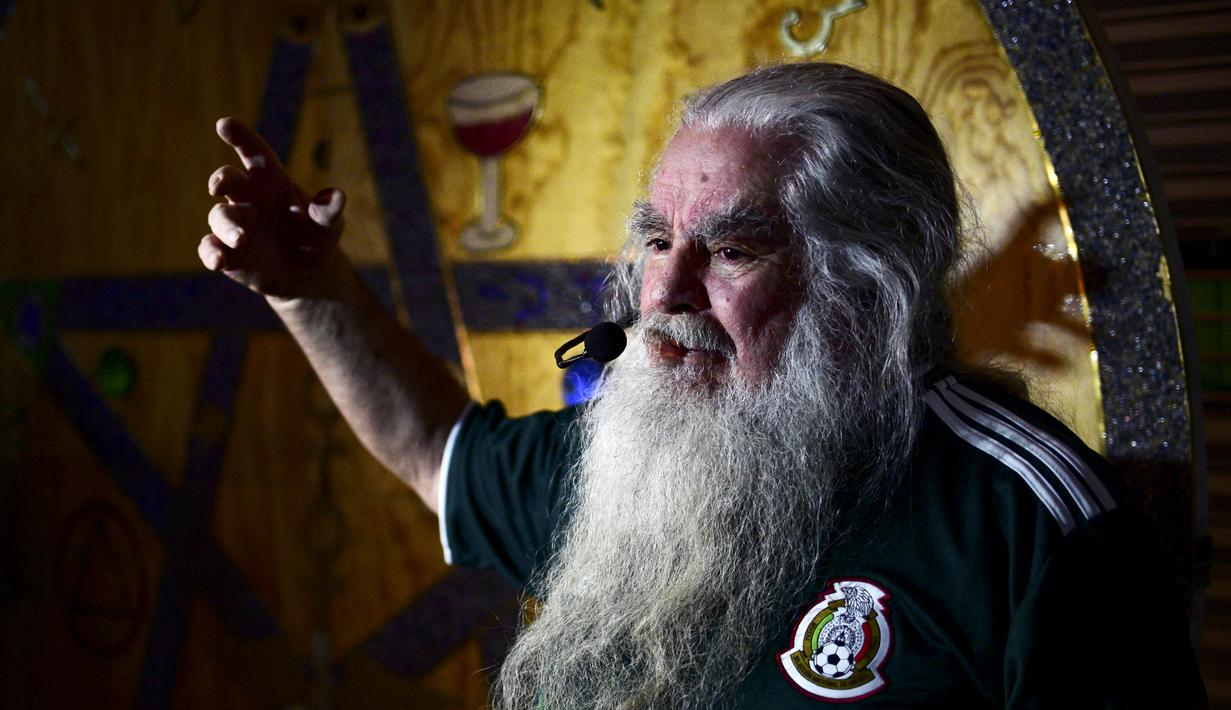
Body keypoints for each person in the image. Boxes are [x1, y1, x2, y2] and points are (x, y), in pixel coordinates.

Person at [201, 63, 1206, 707]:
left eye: (731, 248)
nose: (665, 291)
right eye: (655, 237)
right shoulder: (646, 454)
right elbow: (436, 453)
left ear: (871, 279)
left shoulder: (1027, 519)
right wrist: (310, 287)